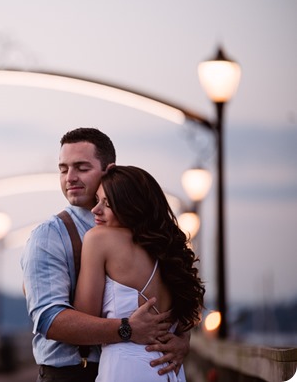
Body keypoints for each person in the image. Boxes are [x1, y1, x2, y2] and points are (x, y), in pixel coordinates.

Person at [21, 127, 190, 382]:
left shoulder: (147, 233)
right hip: (73, 373)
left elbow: (183, 293)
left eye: (81, 167)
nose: (70, 177)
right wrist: (127, 329)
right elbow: (49, 320)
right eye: (63, 168)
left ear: (109, 170)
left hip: (143, 367)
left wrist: (182, 340)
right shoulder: (49, 235)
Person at [74, 165, 205, 381]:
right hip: (170, 371)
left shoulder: (99, 239)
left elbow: (84, 319)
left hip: (126, 369)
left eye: (107, 204)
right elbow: (183, 324)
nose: (95, 210)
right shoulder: (168, 253)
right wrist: (184, 340)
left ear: (131, 207)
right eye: (97, 200)